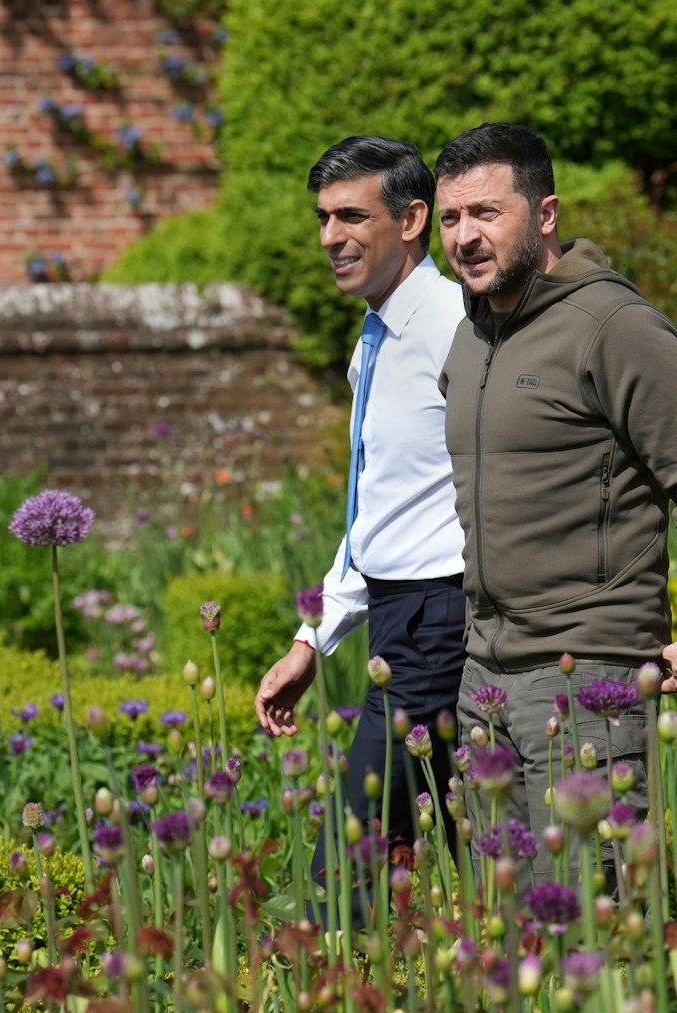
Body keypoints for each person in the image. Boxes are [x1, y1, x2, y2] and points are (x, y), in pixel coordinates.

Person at [432, 122, 677, 889]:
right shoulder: (472, 336)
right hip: (483, 674)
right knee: (499, 919)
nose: (466, 237)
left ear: (544, 215)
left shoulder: (614, 327)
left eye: (486, 213)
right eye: (451, 218)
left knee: (592, 915)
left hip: (586, 675)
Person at [252, 135, 467, 915]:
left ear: (412, 219)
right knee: (468, 836)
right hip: (397, 612)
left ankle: (327, 993)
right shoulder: (374, 337)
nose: (329, 238)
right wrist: (312, 639)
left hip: (441, 612)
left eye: (350, 215)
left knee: (349, 859)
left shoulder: (454, 326)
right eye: (322, 218)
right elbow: (375, 502)